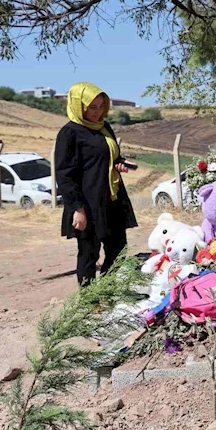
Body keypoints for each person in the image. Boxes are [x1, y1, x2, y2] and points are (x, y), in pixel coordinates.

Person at [55, 82, 138, 287]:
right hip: (87, 204)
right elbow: (64, 174)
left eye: (102, 106)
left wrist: (121, 163)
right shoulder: (69, 133)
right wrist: (77, 209)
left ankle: (109, 294)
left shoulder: (104, 127)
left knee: (118, 249)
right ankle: (89, 302)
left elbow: (109, 156)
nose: (98, 112)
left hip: (112, 199)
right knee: (89, 253)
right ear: (78, 105)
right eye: (92, 107)